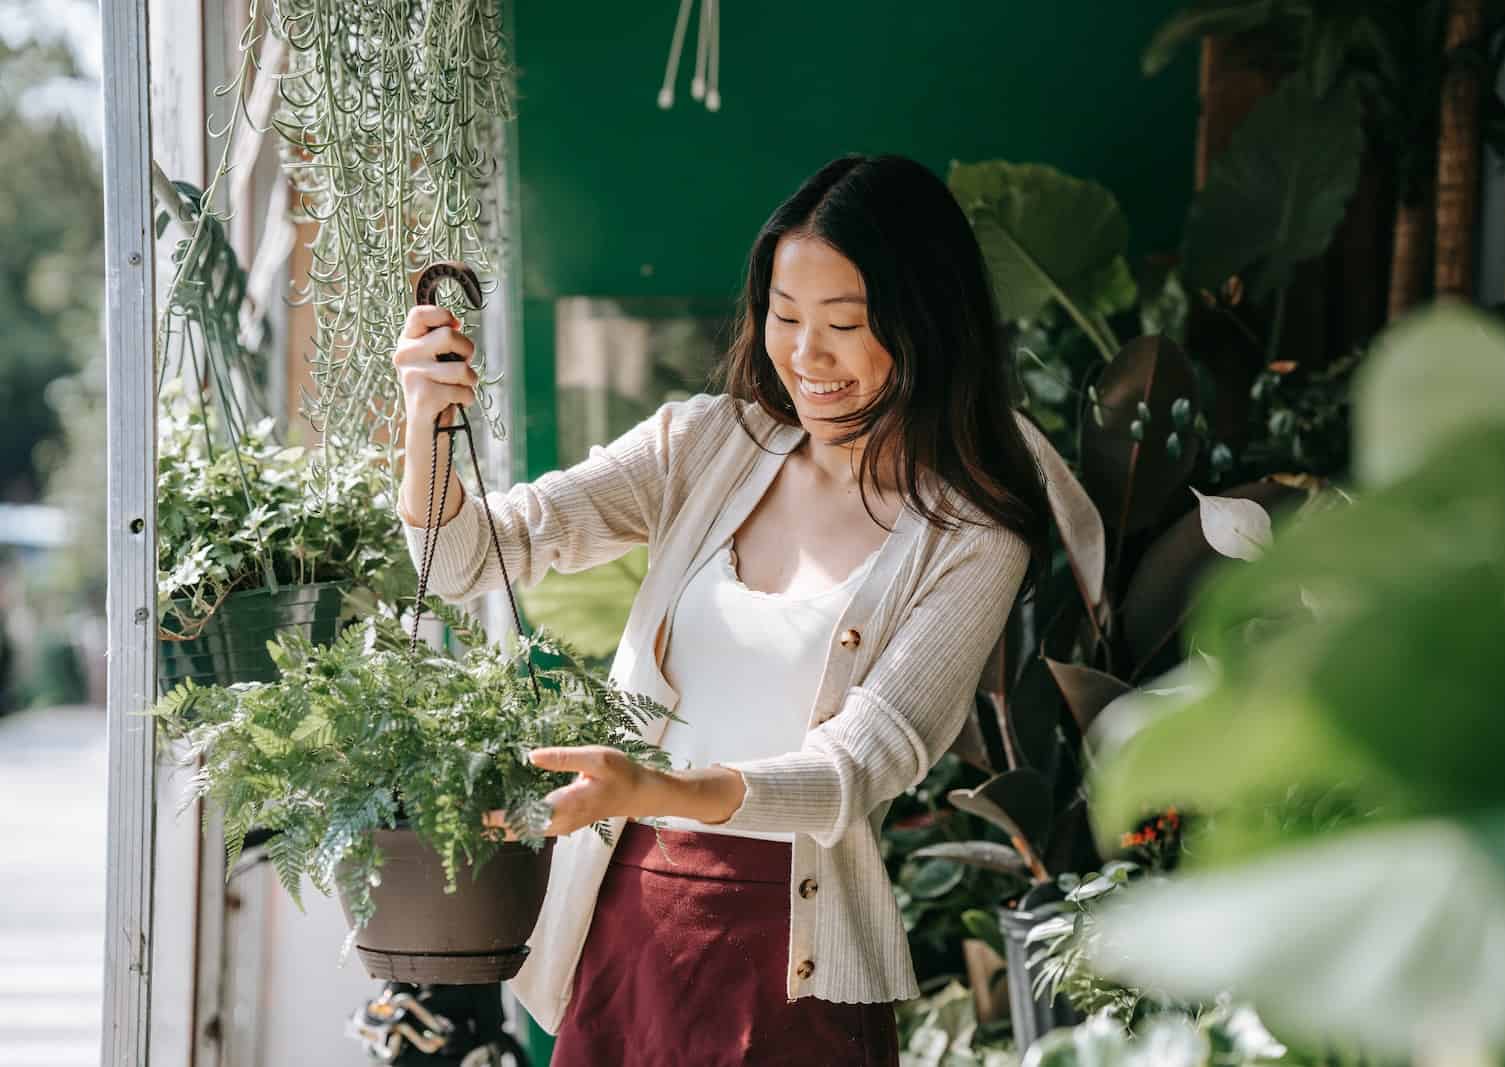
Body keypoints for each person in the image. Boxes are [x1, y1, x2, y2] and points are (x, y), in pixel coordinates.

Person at [391, 154, 1056, 1066]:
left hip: (792, 961)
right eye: (785, 316)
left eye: (844, 324)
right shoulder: (707, 443)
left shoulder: (971, 537)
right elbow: (468, 557)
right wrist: (425, 419)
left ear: (926, 324)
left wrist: (655, 789)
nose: (807, 355)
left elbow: (854, 770)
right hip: (627, 926)